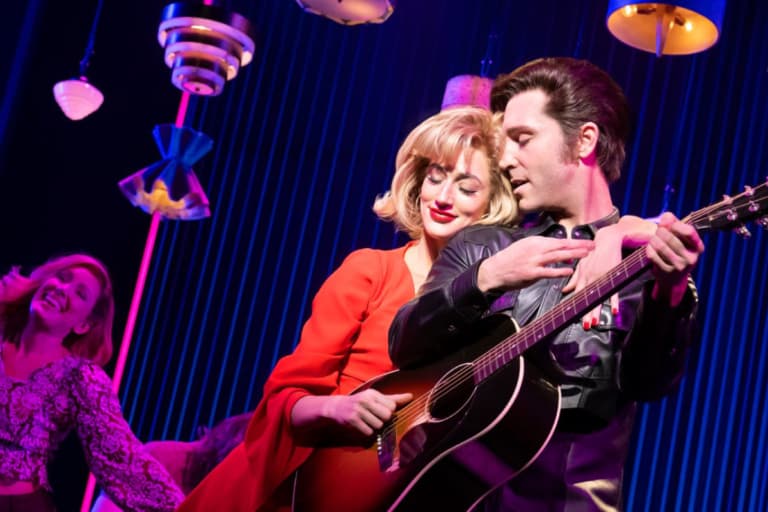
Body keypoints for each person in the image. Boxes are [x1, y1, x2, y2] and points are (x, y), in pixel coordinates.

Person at [388, 57, 705, 511]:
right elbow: (405, 343)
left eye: (522, 139)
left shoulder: (647, 265)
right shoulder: (484, 245)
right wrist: (488, 277)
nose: (505, 158)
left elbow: (649, 383)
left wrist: (670, 293)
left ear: (584, 140)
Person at [176, 105, 530, 512]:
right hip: (284, 492)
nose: (444, 197)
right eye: (436, 176)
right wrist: (337, 407)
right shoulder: (370, 270)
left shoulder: (489, 315)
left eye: (466, 188)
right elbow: (284, 401)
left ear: (491, 207)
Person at [0, 254, 184, 512]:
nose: (62, 290)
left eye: (80, 294)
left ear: (84, 324)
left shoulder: (80, 378)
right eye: (62, 278)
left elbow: (121, 459)